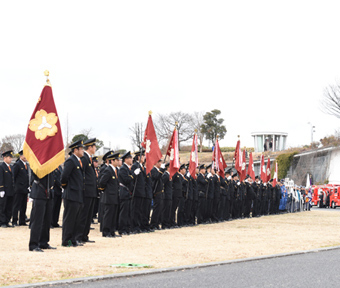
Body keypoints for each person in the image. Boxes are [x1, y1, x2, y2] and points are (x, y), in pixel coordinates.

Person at [61, 140, 85, 247]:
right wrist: (67, 187)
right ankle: (67, 241)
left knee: (76, 219)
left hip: (78, 194)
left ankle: (73, 239)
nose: (83, 151)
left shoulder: (78, 161)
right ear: (75, 150)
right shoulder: (71, 161)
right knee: (70, 219)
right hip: (71, 194)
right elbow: (64, 177)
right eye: (81, 149)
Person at [76, 138, 97, 244]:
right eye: (94, 147)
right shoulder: (84, 158)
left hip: (91, 191)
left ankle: (85, 235)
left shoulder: (89, 159)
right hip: (86, 191)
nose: (95, 148)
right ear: (90, 147)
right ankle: (78, 236)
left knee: (89, 215)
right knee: (83, 215)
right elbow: (82, 174)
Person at [28, 171, 56, 252]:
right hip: (39, 192)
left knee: (47, 220)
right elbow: (36, 175)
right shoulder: (37, 162)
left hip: (49, 193)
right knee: (37, 220)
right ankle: (33, 244)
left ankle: (43, 242)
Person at [99, 152, 121, 237]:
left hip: (115, 196)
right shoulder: (108, 170)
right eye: (117, 160)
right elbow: (102, 182)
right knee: (108, 215)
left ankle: (112, 231)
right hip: (108, 197)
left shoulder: (116, 170)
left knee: (113, 215)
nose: (118, 161)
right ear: (112, 161)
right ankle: (106, 232)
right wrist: (106, 191)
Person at [118, 151, 137, 236]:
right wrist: (134, 174)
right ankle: (122, 229)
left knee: (129, 212)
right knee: (124, 212)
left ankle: (127, 228)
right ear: (126, 159)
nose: (132, 159)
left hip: (128, 192)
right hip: (124, 192)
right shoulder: (123, 168)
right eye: (130, 158)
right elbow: (126, 180)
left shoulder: (127, 168)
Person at [12, 150, 29, 226]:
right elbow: (13, 177)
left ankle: (22, 221)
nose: (26, 157)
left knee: (23, 206)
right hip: (18, 189)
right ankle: (14, 221)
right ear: (20, 156)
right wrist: (15, 187)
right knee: (16, 205)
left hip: (25, 189)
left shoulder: (26, 165)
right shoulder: (17, 165)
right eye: (24, 155)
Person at [131, 150, 146, 234]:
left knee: (140, 210)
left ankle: (138, 226)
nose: (144, 158)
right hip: (137, 191)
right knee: (135, 210)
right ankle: (134, 227)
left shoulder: (141, 166)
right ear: (139, 157)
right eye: (143, 156)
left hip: (141, 191)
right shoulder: (135, 166)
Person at [0, 150, 15, 228]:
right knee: (3, 206)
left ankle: (7, 220)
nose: (11, 159)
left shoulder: (11, 167)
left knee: (9, 206)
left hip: (11, 190)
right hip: (4, 190)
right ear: (4, 158)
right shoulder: (1, 167)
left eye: (11, 158)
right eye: (9, 158)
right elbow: (1, 179)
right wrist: (1, 189)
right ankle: (2, 222)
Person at [150, 159, 164, 230]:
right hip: (156, 192)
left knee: (159, 209)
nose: (160, 164)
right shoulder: (153, 170)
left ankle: (157, 223)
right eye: (159, 162)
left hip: (160, 192)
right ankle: (153, 224)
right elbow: (156, 177)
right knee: (156, 209)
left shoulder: (158, 171)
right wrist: (161, 171)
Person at [161, 163, 172, 229]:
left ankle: (167, 223)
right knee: (165, 210)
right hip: (166, 195)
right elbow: (163, 184)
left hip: (169, 195)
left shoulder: (169, 175)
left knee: (168, 210)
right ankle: (164, 224)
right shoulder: (165, 175)